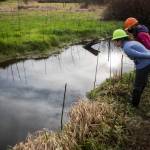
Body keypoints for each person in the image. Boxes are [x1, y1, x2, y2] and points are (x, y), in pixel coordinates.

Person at [112, 29, 150, 107]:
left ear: (119, 41)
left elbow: (141, 55)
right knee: (143, 81)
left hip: (144, 64)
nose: (113, 43)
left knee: (137, 86)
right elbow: (144, 51)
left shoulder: (126, 47)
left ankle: (134, 104)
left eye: (114, 41)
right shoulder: (131, 43)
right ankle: (137, 97)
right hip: (146, 63)